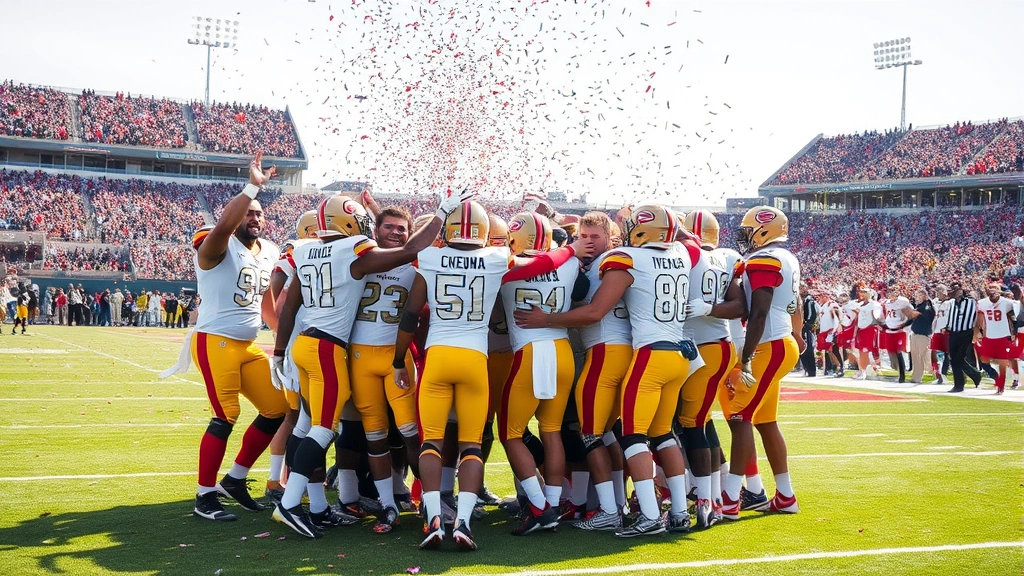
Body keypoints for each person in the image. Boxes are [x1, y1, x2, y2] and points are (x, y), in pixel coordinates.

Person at [394, 199, 591, 551]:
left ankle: (434, 515)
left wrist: (398, 360)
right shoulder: (496, 260)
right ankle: (465, 523)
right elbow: (544, 262)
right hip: (475, 359)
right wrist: (572, 248)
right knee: (473, 444)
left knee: (432, 442)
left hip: (438, 356)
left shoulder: (428, 257)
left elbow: (410, 315)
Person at [270, 190, 468, 539]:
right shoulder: (357, 250)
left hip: (316, 347)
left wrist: (279, 350)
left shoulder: (303, 251)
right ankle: (291, 502)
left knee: (312, 426)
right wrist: (440, 213)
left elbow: (288, 307)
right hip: (337, 352)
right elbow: (404, 250)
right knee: (330, 430)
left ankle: (317, 504)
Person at [516, 204, 696, 537]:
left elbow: (595, 310)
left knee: (598, 433)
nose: (586, 241)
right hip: (664, 353)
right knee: (645, 434)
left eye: (594, 236)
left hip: (612, 354)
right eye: (582, 236)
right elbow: (693, 245)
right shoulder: (680, 254)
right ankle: (673, 510)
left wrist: (547, 319)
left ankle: (616, 510)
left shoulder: (620, 260)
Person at [189, 152, 288, 523]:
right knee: (225, 415)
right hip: (214, 340)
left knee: (278, 408)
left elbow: (266, 306)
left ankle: (236, 478)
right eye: (248, 212)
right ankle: (203, 495)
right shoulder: (216, 244)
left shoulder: (271, 251)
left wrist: (284, 338)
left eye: (259, 212)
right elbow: (221, 229)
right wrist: (251, 189)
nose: (254, 217)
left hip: (246, 344)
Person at [722, 205, 803, 519]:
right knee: (765, 421)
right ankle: (785, 495)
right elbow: (793, 302)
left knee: (740, 416)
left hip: (769, 344)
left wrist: (745, 359)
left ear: (764, 228)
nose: (744, 236)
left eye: (748, 229)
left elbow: (759, 313)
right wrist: (799, 334)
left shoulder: (764, 259)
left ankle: (730, 498)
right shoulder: (787, 257)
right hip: (779, 341)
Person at [679, 210, 746, 529]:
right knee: (701, 420)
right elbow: (739, 305)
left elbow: (741, 306)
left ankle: (708, 500)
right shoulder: (727, 257)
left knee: (691, 422)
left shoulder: (684, 254)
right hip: (717, 345)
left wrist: (709, 308)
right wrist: (713, 308)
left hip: (700, 347)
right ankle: (714, 493)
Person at [976, 282, 1016, 395]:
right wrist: (979, 332)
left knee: (1002, 362)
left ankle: (1001, 386)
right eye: (990, 288)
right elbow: (980, 320)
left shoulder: (1007, 303)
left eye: (995, 288)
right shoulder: (982, 303)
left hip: (1003, 335)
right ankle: (995, 376)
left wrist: (1014, 334)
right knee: (983, 360)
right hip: (989, 335)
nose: (992, 290)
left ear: (999, 290)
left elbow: (1013, 319)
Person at [945, 280, 983, 393]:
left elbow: (977, 316)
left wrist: (977, 331)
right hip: (953, 333)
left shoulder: (971, 301)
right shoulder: (951, 302)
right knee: (954, 358)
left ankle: (961, 383)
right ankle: (970, 377)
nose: (956, 292)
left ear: (962, 290)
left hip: (966, 332)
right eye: (954, 290)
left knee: (959, 357)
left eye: (958, 290)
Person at [908, 287, 935, 383]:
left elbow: (913, 315)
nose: (916, 297)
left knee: (922, 357)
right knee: (916, 357)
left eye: (919, 295)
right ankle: (916, 376)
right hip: (916, 334)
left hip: (922, 334)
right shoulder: (920, 306)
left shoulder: (926, 306)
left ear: (924, 296)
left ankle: (936, 373)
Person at [798, 282, 818, 377]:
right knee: (801, 348)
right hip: (799, 326)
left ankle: (811, 370)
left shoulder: (809, 301)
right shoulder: (799, 299)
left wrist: (807, 324)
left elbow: (812, 314)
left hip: (805, 327)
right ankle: (806, 368)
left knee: (808, 348)